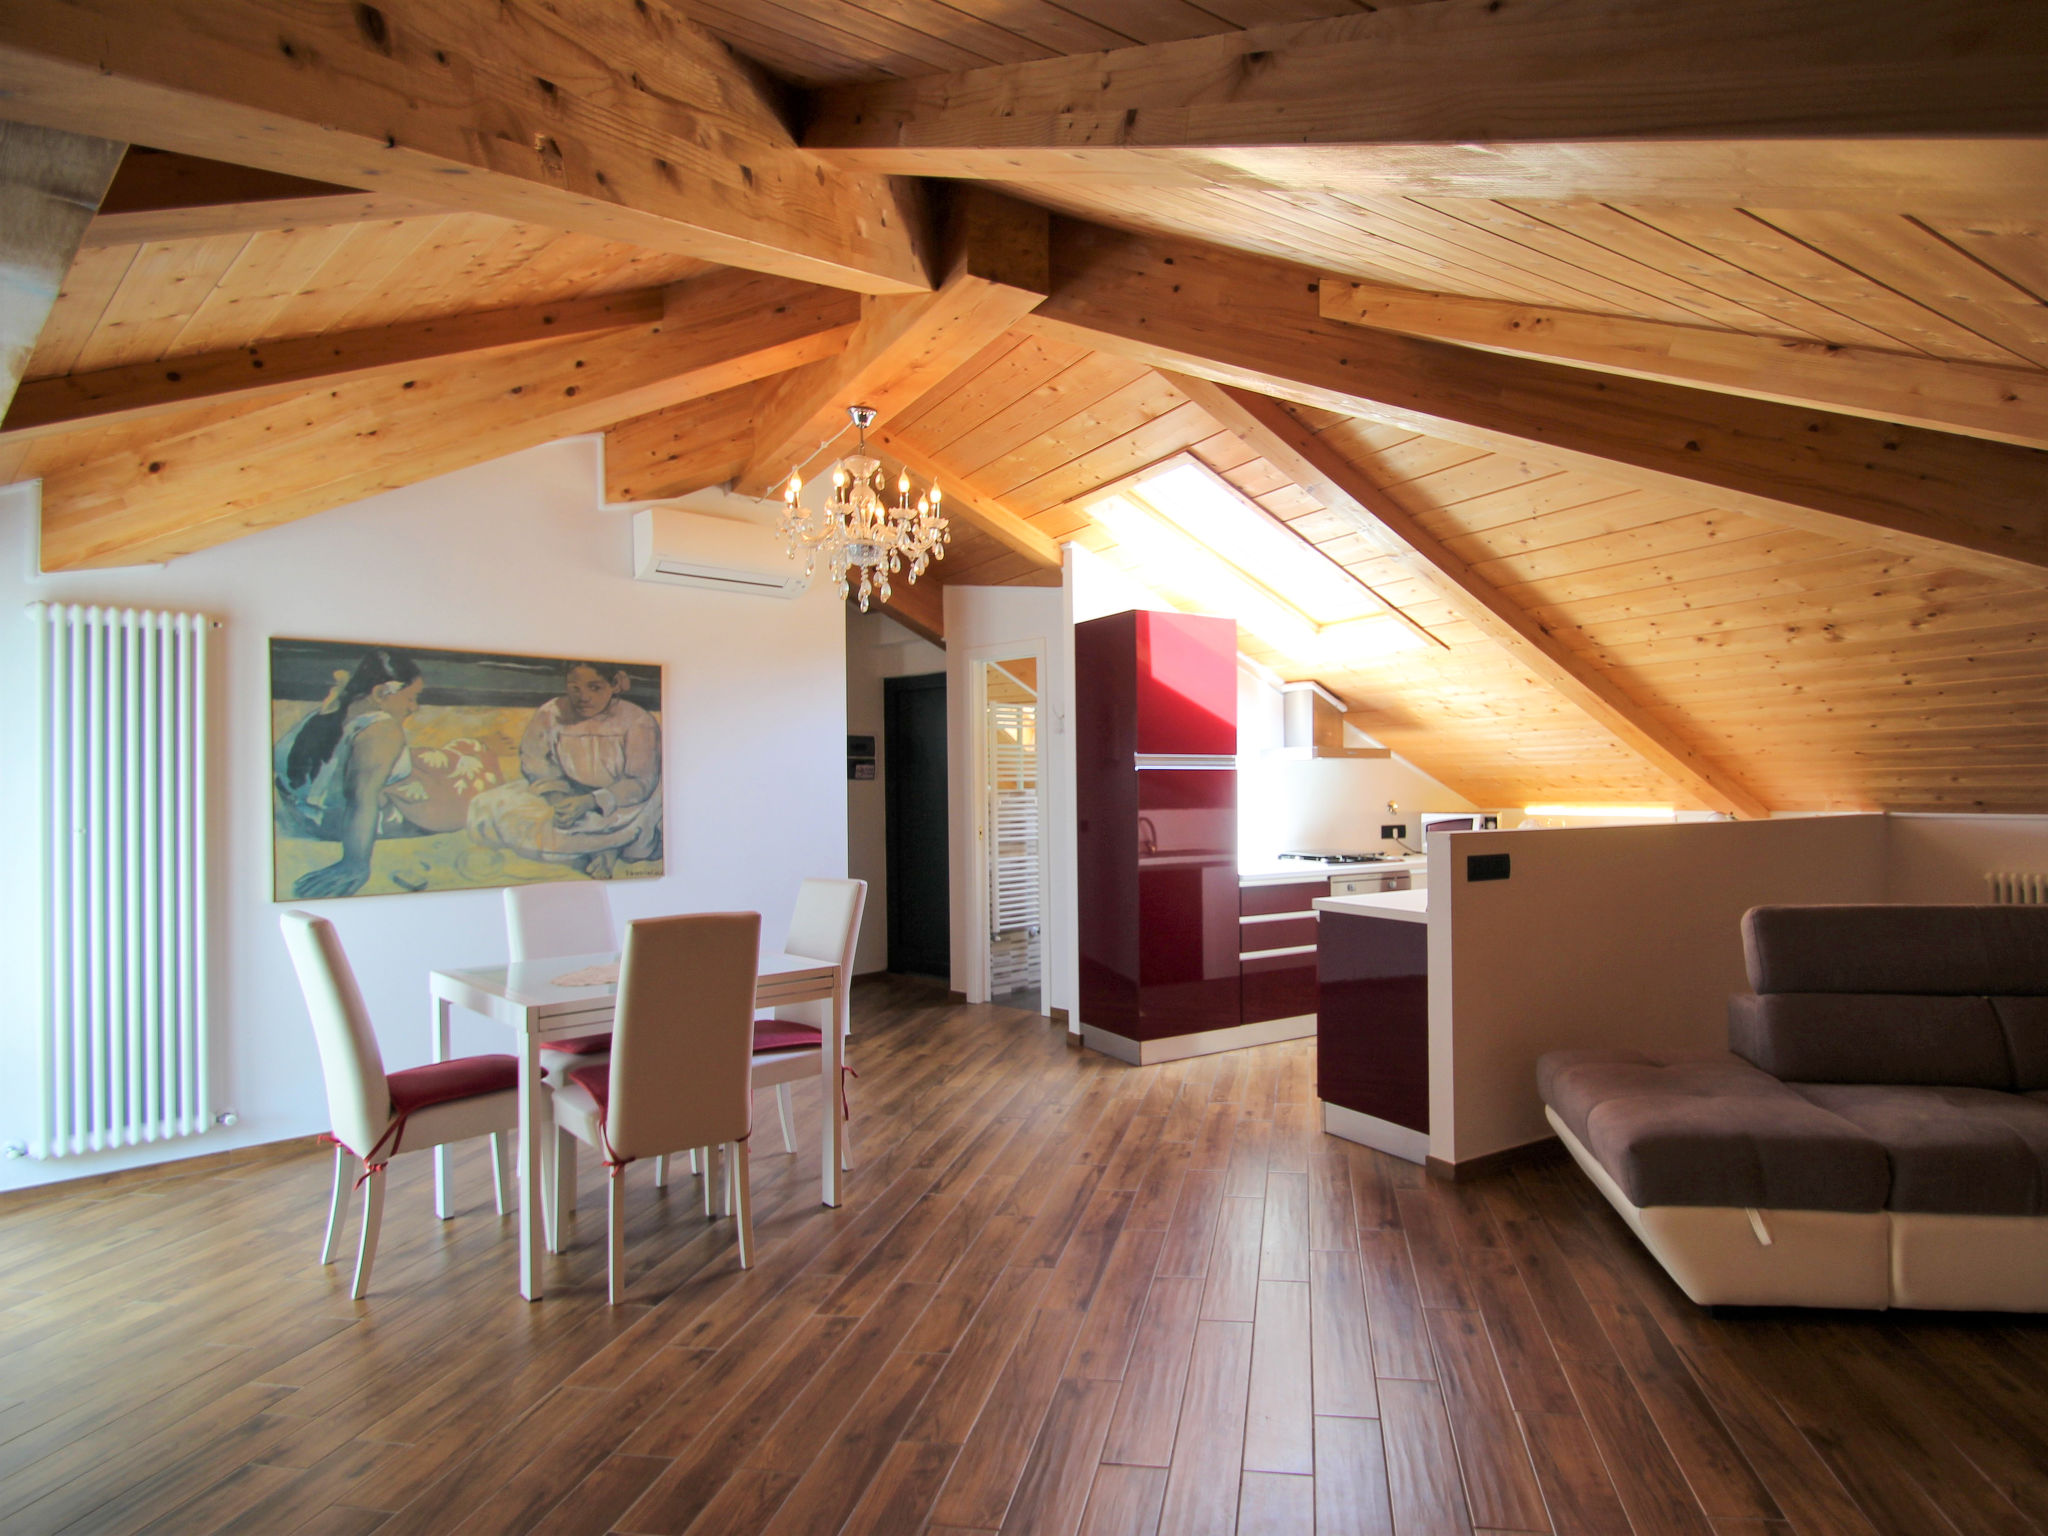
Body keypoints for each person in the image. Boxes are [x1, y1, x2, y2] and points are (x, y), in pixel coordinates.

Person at [466, 660, 662, 878]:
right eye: (574, 688)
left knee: (639, 821)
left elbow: (641, 781)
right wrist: (558, 797)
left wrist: (591, 801)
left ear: (614, 684)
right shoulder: (551, 712)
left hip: (622, 799)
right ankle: (597, 846)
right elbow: (536, 760)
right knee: (490, 806)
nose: (583, 697)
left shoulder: (637, 720)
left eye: (594, 687)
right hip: (568, 789)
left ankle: (607, 849)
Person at [273, 649, 430, 898]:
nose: (414, 707)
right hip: (336, 824)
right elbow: (362, 797)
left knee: (432, 759)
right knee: (456, 775)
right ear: (380, 693)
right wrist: (355, 862)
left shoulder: (325, 714)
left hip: (300, 815)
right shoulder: (382, 729)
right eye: (411, 697)